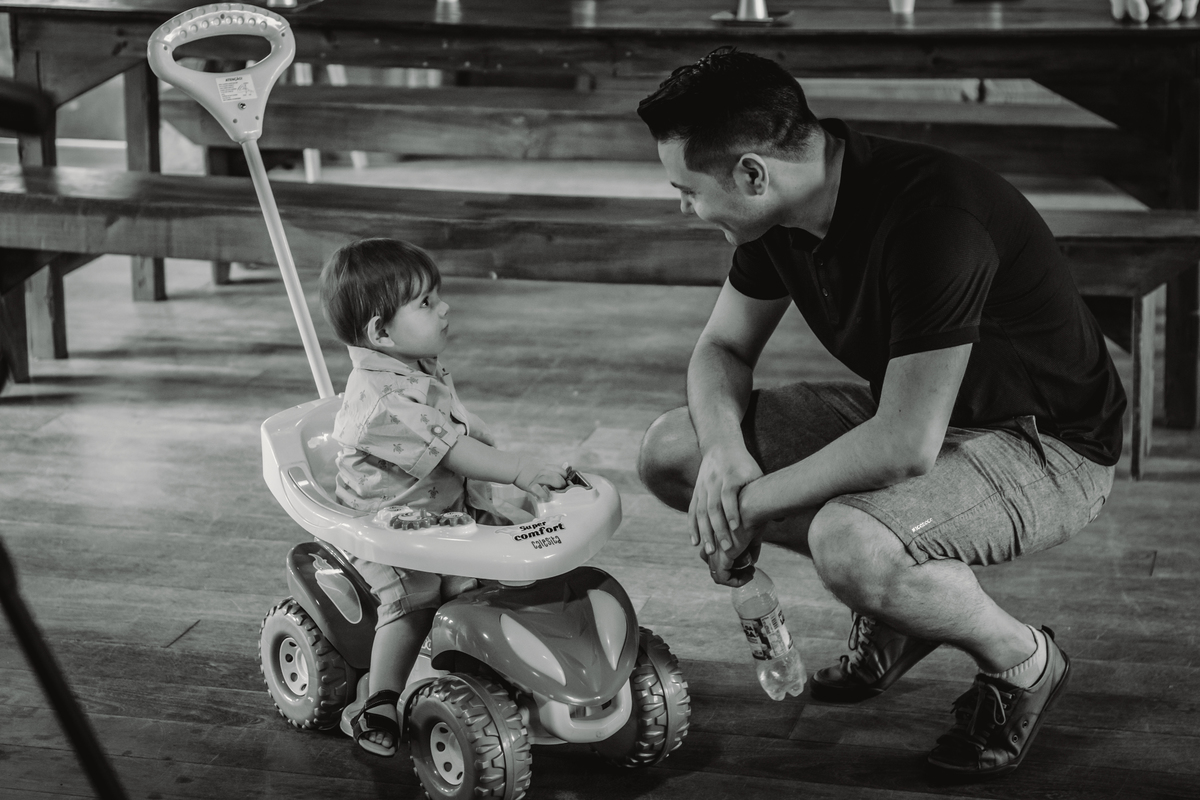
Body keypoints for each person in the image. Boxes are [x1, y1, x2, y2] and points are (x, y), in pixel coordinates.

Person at [634, 48, 1125, 778]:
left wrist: (746, 504)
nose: (684, 206)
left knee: (852, 544)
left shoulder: (932, 218)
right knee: (676, 449)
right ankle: (904, 611)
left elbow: (902, 447)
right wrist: (727, 455)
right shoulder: (781, 214)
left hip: (1043, 445)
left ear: (751, 174)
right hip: (922, 411)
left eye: (686, 190)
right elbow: (723, 348)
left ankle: (1022, 663)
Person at [319, 238, 568, 757]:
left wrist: (474, 427)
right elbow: (451, 450)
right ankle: (381, 699)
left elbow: (449, 418)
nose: (445, 308)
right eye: (426, 303)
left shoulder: (413, 361)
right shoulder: (385, 398)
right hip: (386, 523)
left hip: (437, 507)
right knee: (415, 599)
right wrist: (520, 468)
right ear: (380, 332)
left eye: (438, 296)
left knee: (501, 558)